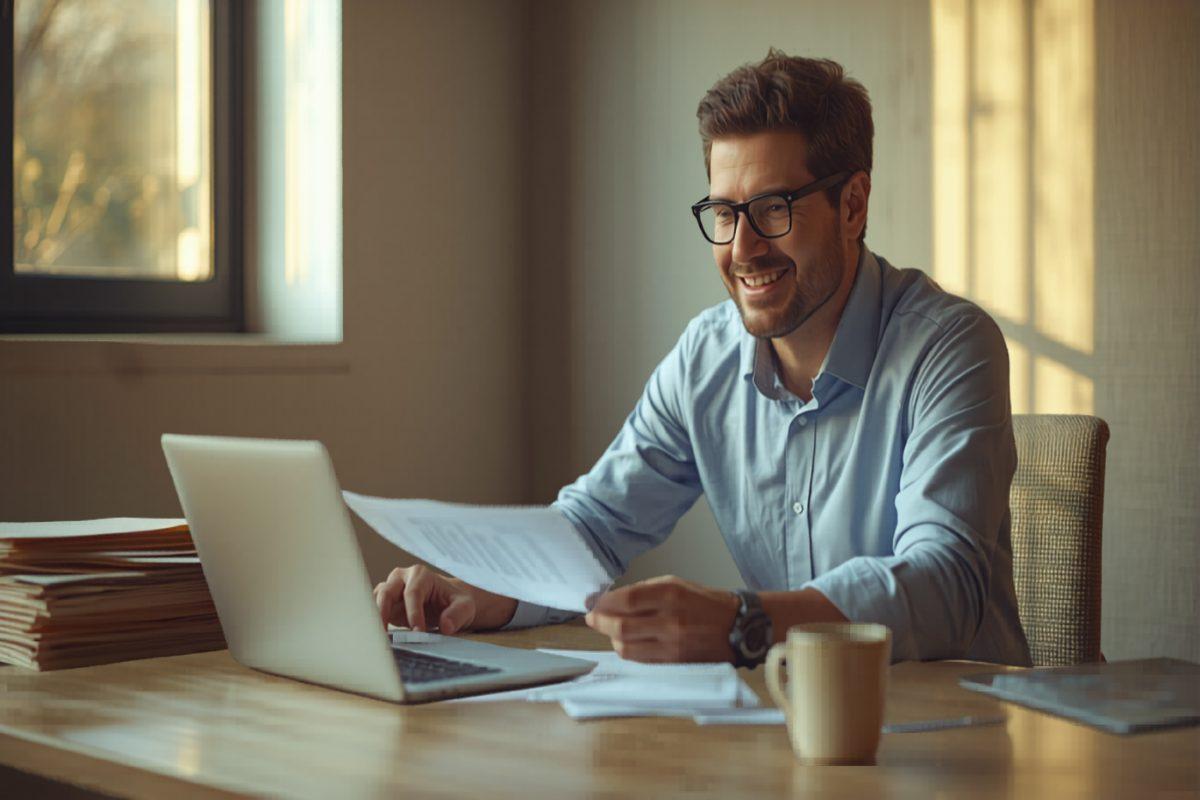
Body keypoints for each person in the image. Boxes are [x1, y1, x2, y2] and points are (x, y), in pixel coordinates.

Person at [374, 49, 1032, 667]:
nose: (743, 248)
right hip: (788, 732)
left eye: (773, 208)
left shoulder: (949, 347)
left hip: (951, 744)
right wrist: (480, 592)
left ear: (852, 205)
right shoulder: (705, 358)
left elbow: (946, 582)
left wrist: (743, 622)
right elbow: (595, 528)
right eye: (724, 213)